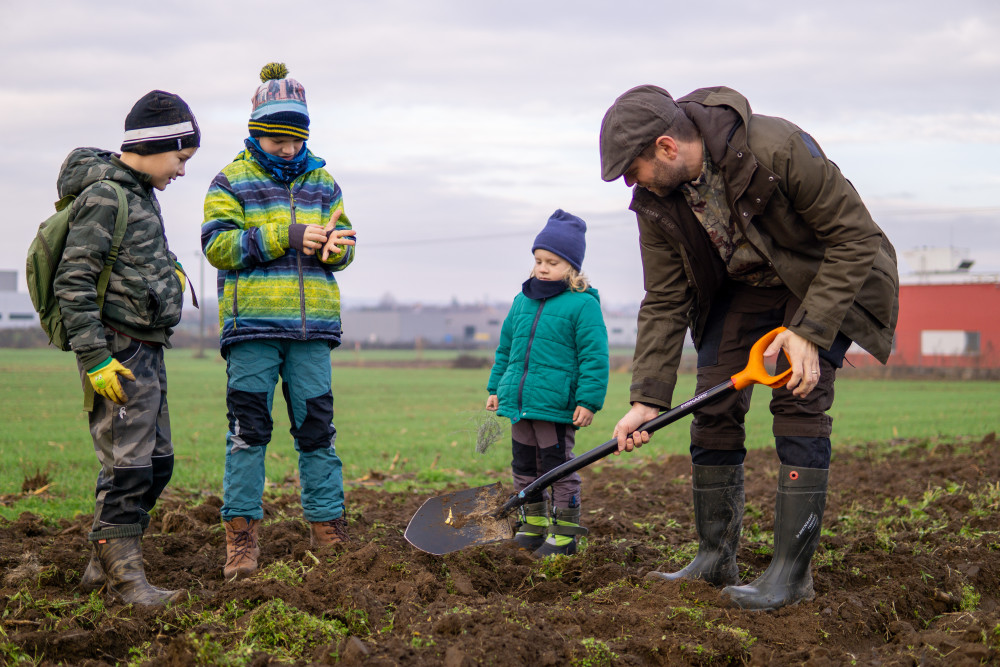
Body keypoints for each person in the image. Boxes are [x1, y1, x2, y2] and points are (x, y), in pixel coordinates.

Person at [599, 85, 899, 610]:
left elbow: (855, 237)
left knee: (799, 394)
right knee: (712, 403)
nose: (631, 183)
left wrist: (809, 331)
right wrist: (646, 398)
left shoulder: (775, 147)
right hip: (746, 289)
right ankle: (715, 558)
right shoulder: (655, 202)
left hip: (820, 280)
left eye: (632, 168)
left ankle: (790, 577)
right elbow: (666, 298)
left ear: (666, 147)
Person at [202, 63, 357, 581]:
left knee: (318, 433)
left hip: (312, 335)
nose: (288, 148)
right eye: (276, 139)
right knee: (248, 434)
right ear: (256, 132)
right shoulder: (230, 181)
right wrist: (284, 236)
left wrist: (336, 250)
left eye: (296, 139)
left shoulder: (325, 183)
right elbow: (217, 245)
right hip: (253, 333)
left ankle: (328, 532)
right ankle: (241, 541)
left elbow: (348, 243)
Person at [54, 91, 200, 606]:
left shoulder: (140, 196)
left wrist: (168, 268)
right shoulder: (106, 197)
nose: (181, 171)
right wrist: (95, 359)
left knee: (157, 464)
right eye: (181, 158)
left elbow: (132, 253)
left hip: (147, 350)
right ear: (159, 144)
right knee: (129, 467)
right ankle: (125, 581)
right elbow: (73, 283)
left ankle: (101, 562)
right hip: (117, 353)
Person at [486, 209, 609, 557]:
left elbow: (594, 358)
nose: (542, 267)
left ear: (571, 267)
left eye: (552, 262)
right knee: (524, 467)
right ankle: (534, 525)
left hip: (555, 407)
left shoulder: (582, 305)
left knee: (558, 469)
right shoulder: (521, 301)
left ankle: (565, 534)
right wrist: (496, 388)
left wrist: (588, 401)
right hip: (520, 403)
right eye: (538, 260)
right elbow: (506, 349)